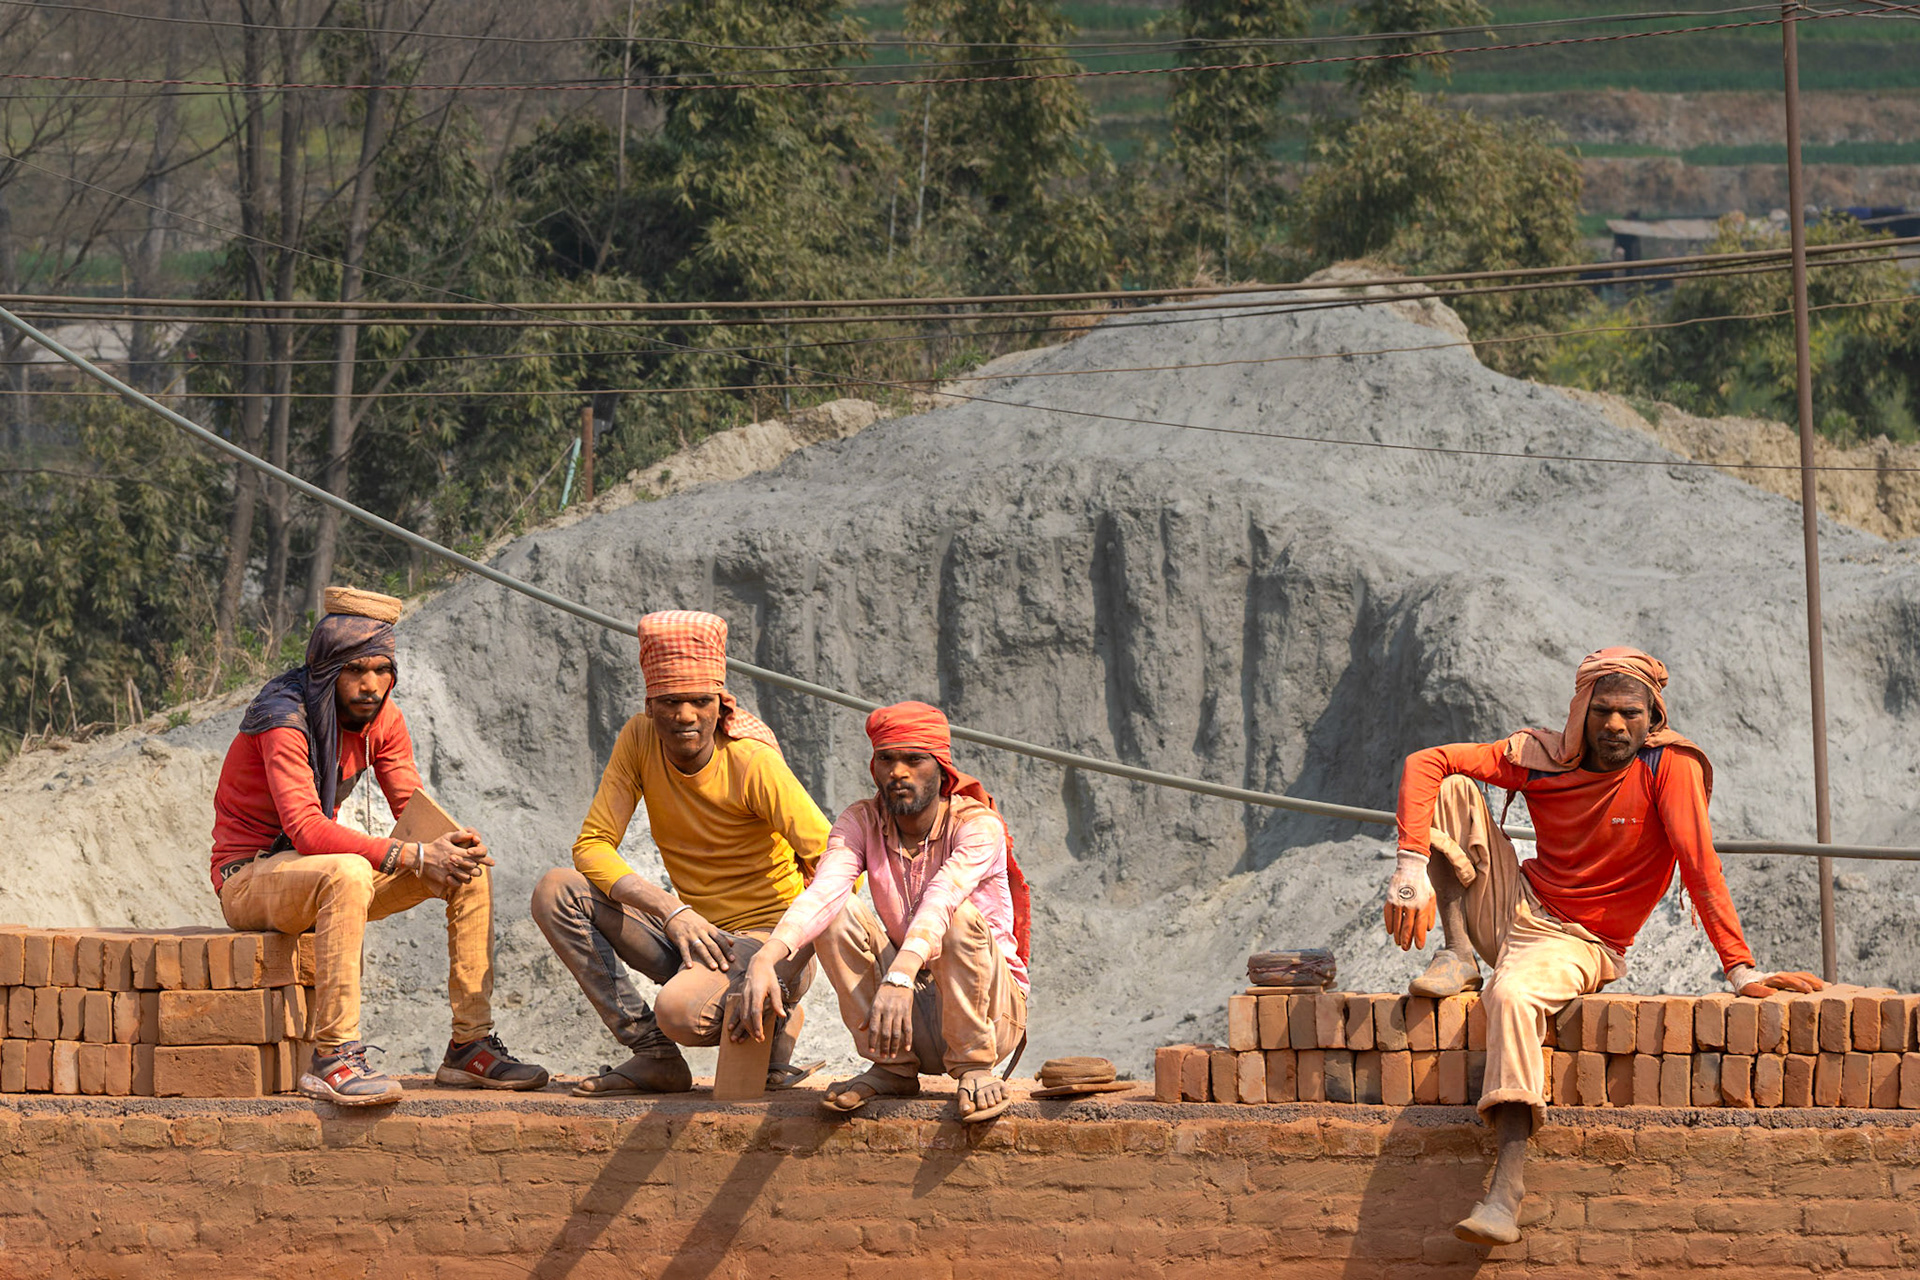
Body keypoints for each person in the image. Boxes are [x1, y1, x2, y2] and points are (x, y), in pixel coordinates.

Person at [1385, 646, 1822, 1246]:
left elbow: (1700, 866)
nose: (1615, 726)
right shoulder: (1542, 759)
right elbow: (1424, 761)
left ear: (1653, 717)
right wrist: (1409, 869)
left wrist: (1741, 970)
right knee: (1452, 784)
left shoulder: (1668, 769)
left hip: (1577, 939)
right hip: (1511, 905)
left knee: (1510, 996)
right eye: (1602, 711)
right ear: (1581, 711)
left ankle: (1505, 1189)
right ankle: (1459, 951)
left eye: (1631, 714)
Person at [211, 586, 548, 1106]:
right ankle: (334, 1056)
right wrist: (414, 855)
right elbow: (304, 829)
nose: (372, 685)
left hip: (315, 875)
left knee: (468, 872)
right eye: (356, 671)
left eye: (382, 670)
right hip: (251, 879)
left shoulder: (384, 718)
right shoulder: (284, 718)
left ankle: (469, 1046)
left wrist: (450, 842)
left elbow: (410, 810)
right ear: (326, 670)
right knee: (345, 871)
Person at [532, 610, 830, 1096]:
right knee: (556, 891)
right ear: (650, 704)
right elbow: (592, 845)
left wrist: (782, 955)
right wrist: (671, 911)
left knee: (681, 1011)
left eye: (699, 701)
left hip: (762, 939)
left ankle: (780, 1007)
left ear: (720, 703)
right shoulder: (638, 738)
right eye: (670, 701)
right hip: (692, 934)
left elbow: (836, 864)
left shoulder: (752, 762)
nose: (685, 716)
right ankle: (653, 1054)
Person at [734, 701, 1031, 1123]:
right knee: (836, 913)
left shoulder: (977, 825)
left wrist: (899, 974)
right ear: (873, 767)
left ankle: (975, 1067)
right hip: (907, 1011)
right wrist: (766, 957)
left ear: (942, 768)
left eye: (914, 760)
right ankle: (891, 1066)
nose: (898, 772)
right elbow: (825, 890)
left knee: (957, 917)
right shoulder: (860, 820)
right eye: (887, 759)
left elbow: (942, 897)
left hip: (988, 1014)